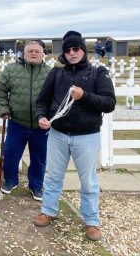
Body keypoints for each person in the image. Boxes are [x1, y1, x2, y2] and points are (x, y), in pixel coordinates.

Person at [33, 30, 116, 241]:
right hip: (58, 134)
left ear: (83, 50)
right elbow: (42, 101)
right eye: (68, 50)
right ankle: (48, 210)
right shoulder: (56, 74)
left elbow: (109, 103)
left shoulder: (98, 73)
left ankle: (91, 220)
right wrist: (42, 116)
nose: (72, 53)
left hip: (86, 136)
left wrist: (84, 96)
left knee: (88, 181)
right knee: (52, 175)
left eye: (76, 48)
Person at [0, 40, 51, 201]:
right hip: (17, 122)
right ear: (24, 53)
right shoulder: (11, 70)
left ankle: (36, 186)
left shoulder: (50, 73)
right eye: (30, 51)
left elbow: (56, 97)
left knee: (39, 157)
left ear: (42, 54)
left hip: (41, 125)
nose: (33, 53)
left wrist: (49, 116)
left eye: (37, 51)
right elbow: (0, 91)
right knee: (11, 154)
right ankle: (10, 180)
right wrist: (4, 110)